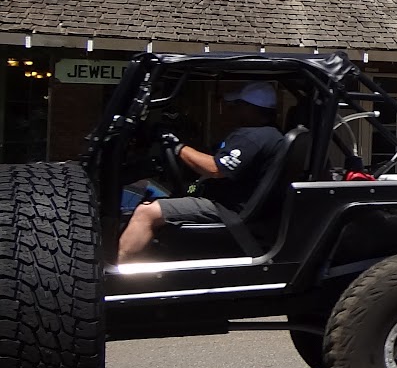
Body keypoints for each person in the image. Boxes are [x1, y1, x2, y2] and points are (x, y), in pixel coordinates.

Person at [117, 82, 285, 261]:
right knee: (168, 197)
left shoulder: (252, 137)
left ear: (251, 108)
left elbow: (215, 168)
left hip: (227, 210)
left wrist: (178, 146)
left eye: (238, 105)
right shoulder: (271, 135)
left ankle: (119, 275)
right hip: (234, 203)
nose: (232, 110)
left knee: (147, 212)